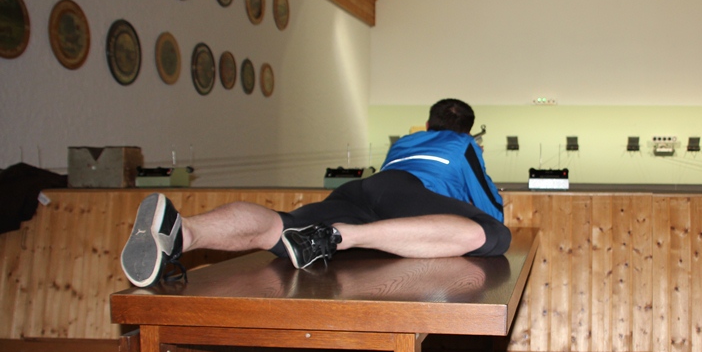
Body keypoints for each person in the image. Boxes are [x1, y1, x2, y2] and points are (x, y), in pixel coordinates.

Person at [120, 98, 511, 288]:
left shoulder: (406, 142)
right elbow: (487, 202)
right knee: (492, 236)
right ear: (468, 130)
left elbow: (386, 187)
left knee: (281, 227)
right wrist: (493, 211)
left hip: (362, 191)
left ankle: (184, 231)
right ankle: (339, 236)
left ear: (427, 123)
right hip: (402, 195)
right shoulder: (463, 144)